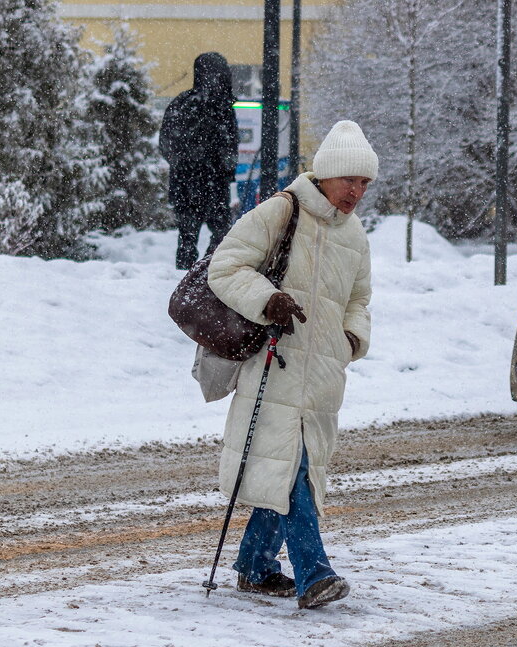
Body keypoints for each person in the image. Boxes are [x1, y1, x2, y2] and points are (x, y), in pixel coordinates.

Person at [207, 121, 376, 610]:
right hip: (274, 364)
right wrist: (269, 300)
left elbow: (360, 300)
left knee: (286, 468)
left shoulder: (355, 235)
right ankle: (314, 573)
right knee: (293, 469)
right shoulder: (282, 211)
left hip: (323, 373)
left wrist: (351, 337)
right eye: (351, 180)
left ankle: (257, 566)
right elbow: (226, 267)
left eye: (365, 183)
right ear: (327, 175)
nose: (357, 192)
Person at [159, 52, 239, 270]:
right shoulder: (219, 107)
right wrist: (211, 163)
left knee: (191, 237)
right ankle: (200, 274)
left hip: (193, 184)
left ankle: (192, 276)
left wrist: (185, 163)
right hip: (206, 184)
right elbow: (231, 146)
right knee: (211, 235)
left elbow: (166, 144)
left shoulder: (184, 104)